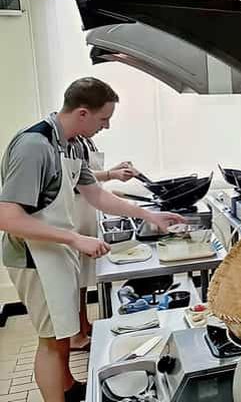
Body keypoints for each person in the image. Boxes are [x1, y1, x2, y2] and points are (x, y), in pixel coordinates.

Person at [0, 77, 185, 402]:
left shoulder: (72, 144)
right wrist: (74, 239)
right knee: (50, 342)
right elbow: (8, 217)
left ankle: (68, 387)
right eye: (104, 119)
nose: (107, 126)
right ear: (82, 113)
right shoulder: (34, 146)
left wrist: (150, 216)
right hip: (33, 257)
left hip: (55, 250)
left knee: (62, 332)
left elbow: (96, 194)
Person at [68, 135, 140, 351]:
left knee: (81, 280)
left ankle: (83, 326)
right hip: (75, 213)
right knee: (74, 280)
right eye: (102, 120)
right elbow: (75, 178)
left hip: (85, 210)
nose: (104, 126)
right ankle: (75, 336)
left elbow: (88, 175)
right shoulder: (68, 141)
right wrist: (111, 174)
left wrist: (112, 171)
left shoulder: (84, 140)